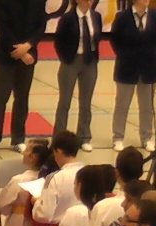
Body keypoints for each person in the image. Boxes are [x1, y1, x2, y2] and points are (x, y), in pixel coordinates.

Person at [0, 0, 46, 155]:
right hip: (6, 54)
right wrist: (19, 51)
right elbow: (2, 27)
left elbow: (40, 25)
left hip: (28, 55)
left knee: (22, 98)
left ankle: (18, 139)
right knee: (0, 98)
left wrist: (28, 46)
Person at [53, 0, 102, 153]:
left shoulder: (96, 16)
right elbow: (58, 40)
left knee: (86, 102)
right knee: (65, 101)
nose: (89, 2)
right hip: (71, 61)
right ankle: (59, 137)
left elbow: (97, 39)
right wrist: (65, 58)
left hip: (89, 61)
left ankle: (84, 136)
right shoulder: (67, 18)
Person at [109, 0, 156, 152]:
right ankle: (118, 137)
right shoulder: (122, 17)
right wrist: (125, 56)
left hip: (148, 69)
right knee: (122, 105)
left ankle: (146, 137)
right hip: (126, 68)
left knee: (147, 106)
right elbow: (115, 39)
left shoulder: (154, 16)